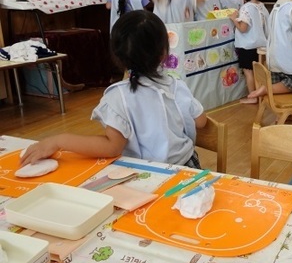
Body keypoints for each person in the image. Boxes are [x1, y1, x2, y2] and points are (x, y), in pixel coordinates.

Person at [20, 10, 208, 168]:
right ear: (164, 53)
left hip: (146, 176)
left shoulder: (119, 96)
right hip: (187, 168)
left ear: (118, 55)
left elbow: (112, 147)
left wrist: (58, 140)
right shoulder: (176, 85)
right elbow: (201, 122)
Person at [231, 0, 270, 104]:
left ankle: (252, 97)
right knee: (258, 72)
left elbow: (243, 28)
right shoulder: (261, 6)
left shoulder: (246, 7)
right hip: (260, 46)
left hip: (247, 46)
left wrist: (234, 19)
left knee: (249, 73)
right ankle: (260, 95)